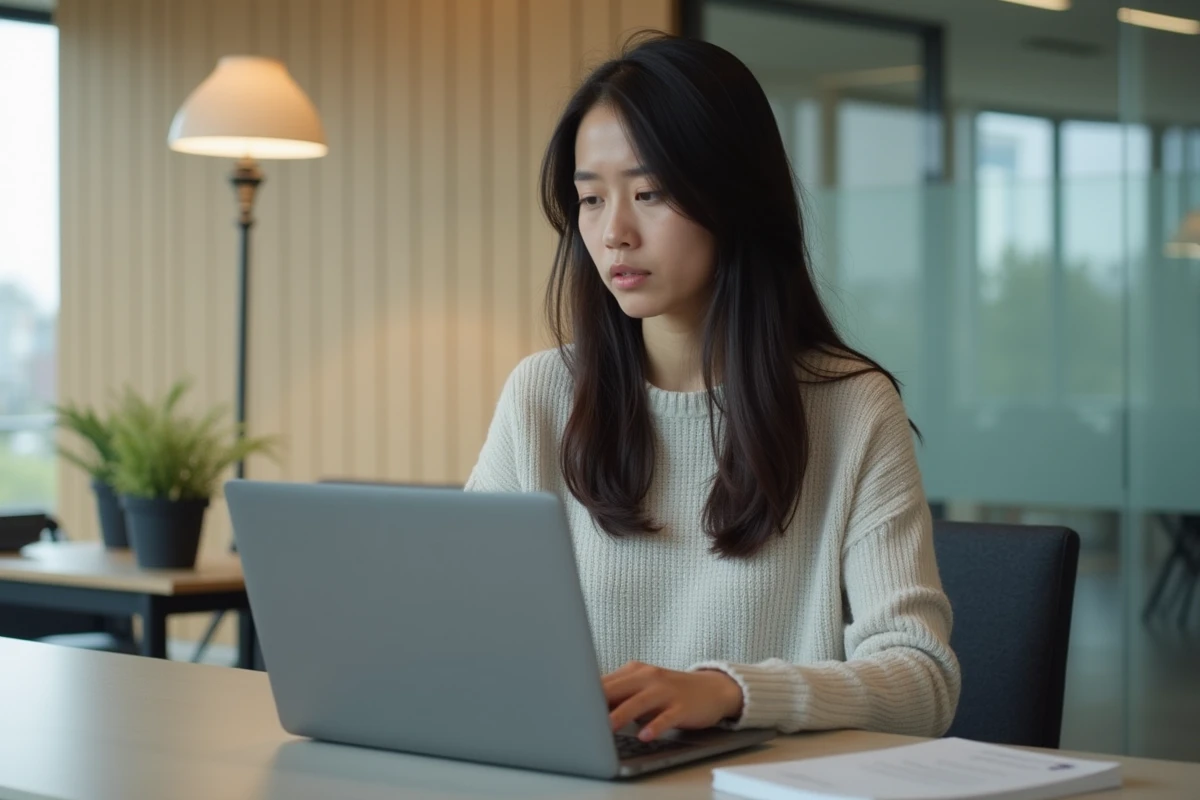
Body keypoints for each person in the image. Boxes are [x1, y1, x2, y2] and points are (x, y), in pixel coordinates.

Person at [464, 32, 960, 744]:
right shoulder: (543, 394)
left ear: (733, 198)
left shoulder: (851, 408)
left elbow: (923, 681)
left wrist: (730, 692)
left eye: (651, 193)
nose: (614, 234)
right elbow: (462, 626)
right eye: (591, 200)